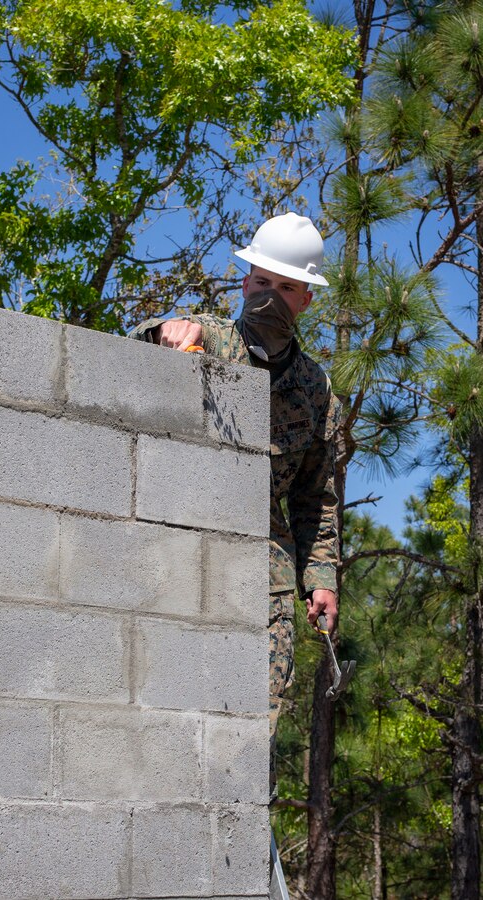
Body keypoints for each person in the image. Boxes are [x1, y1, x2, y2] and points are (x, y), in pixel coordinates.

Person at [129, 212, 340, 794]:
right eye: (261, 281)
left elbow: (316, 497)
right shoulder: (211, 341)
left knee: (252, 722)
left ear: (306, 300)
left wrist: (320, 578)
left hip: (266, 570)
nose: (269, 295)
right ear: (244, 280)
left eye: (285, 287)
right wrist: (168, 329)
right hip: (181, 553)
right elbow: (142, 342)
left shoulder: (316, 391)